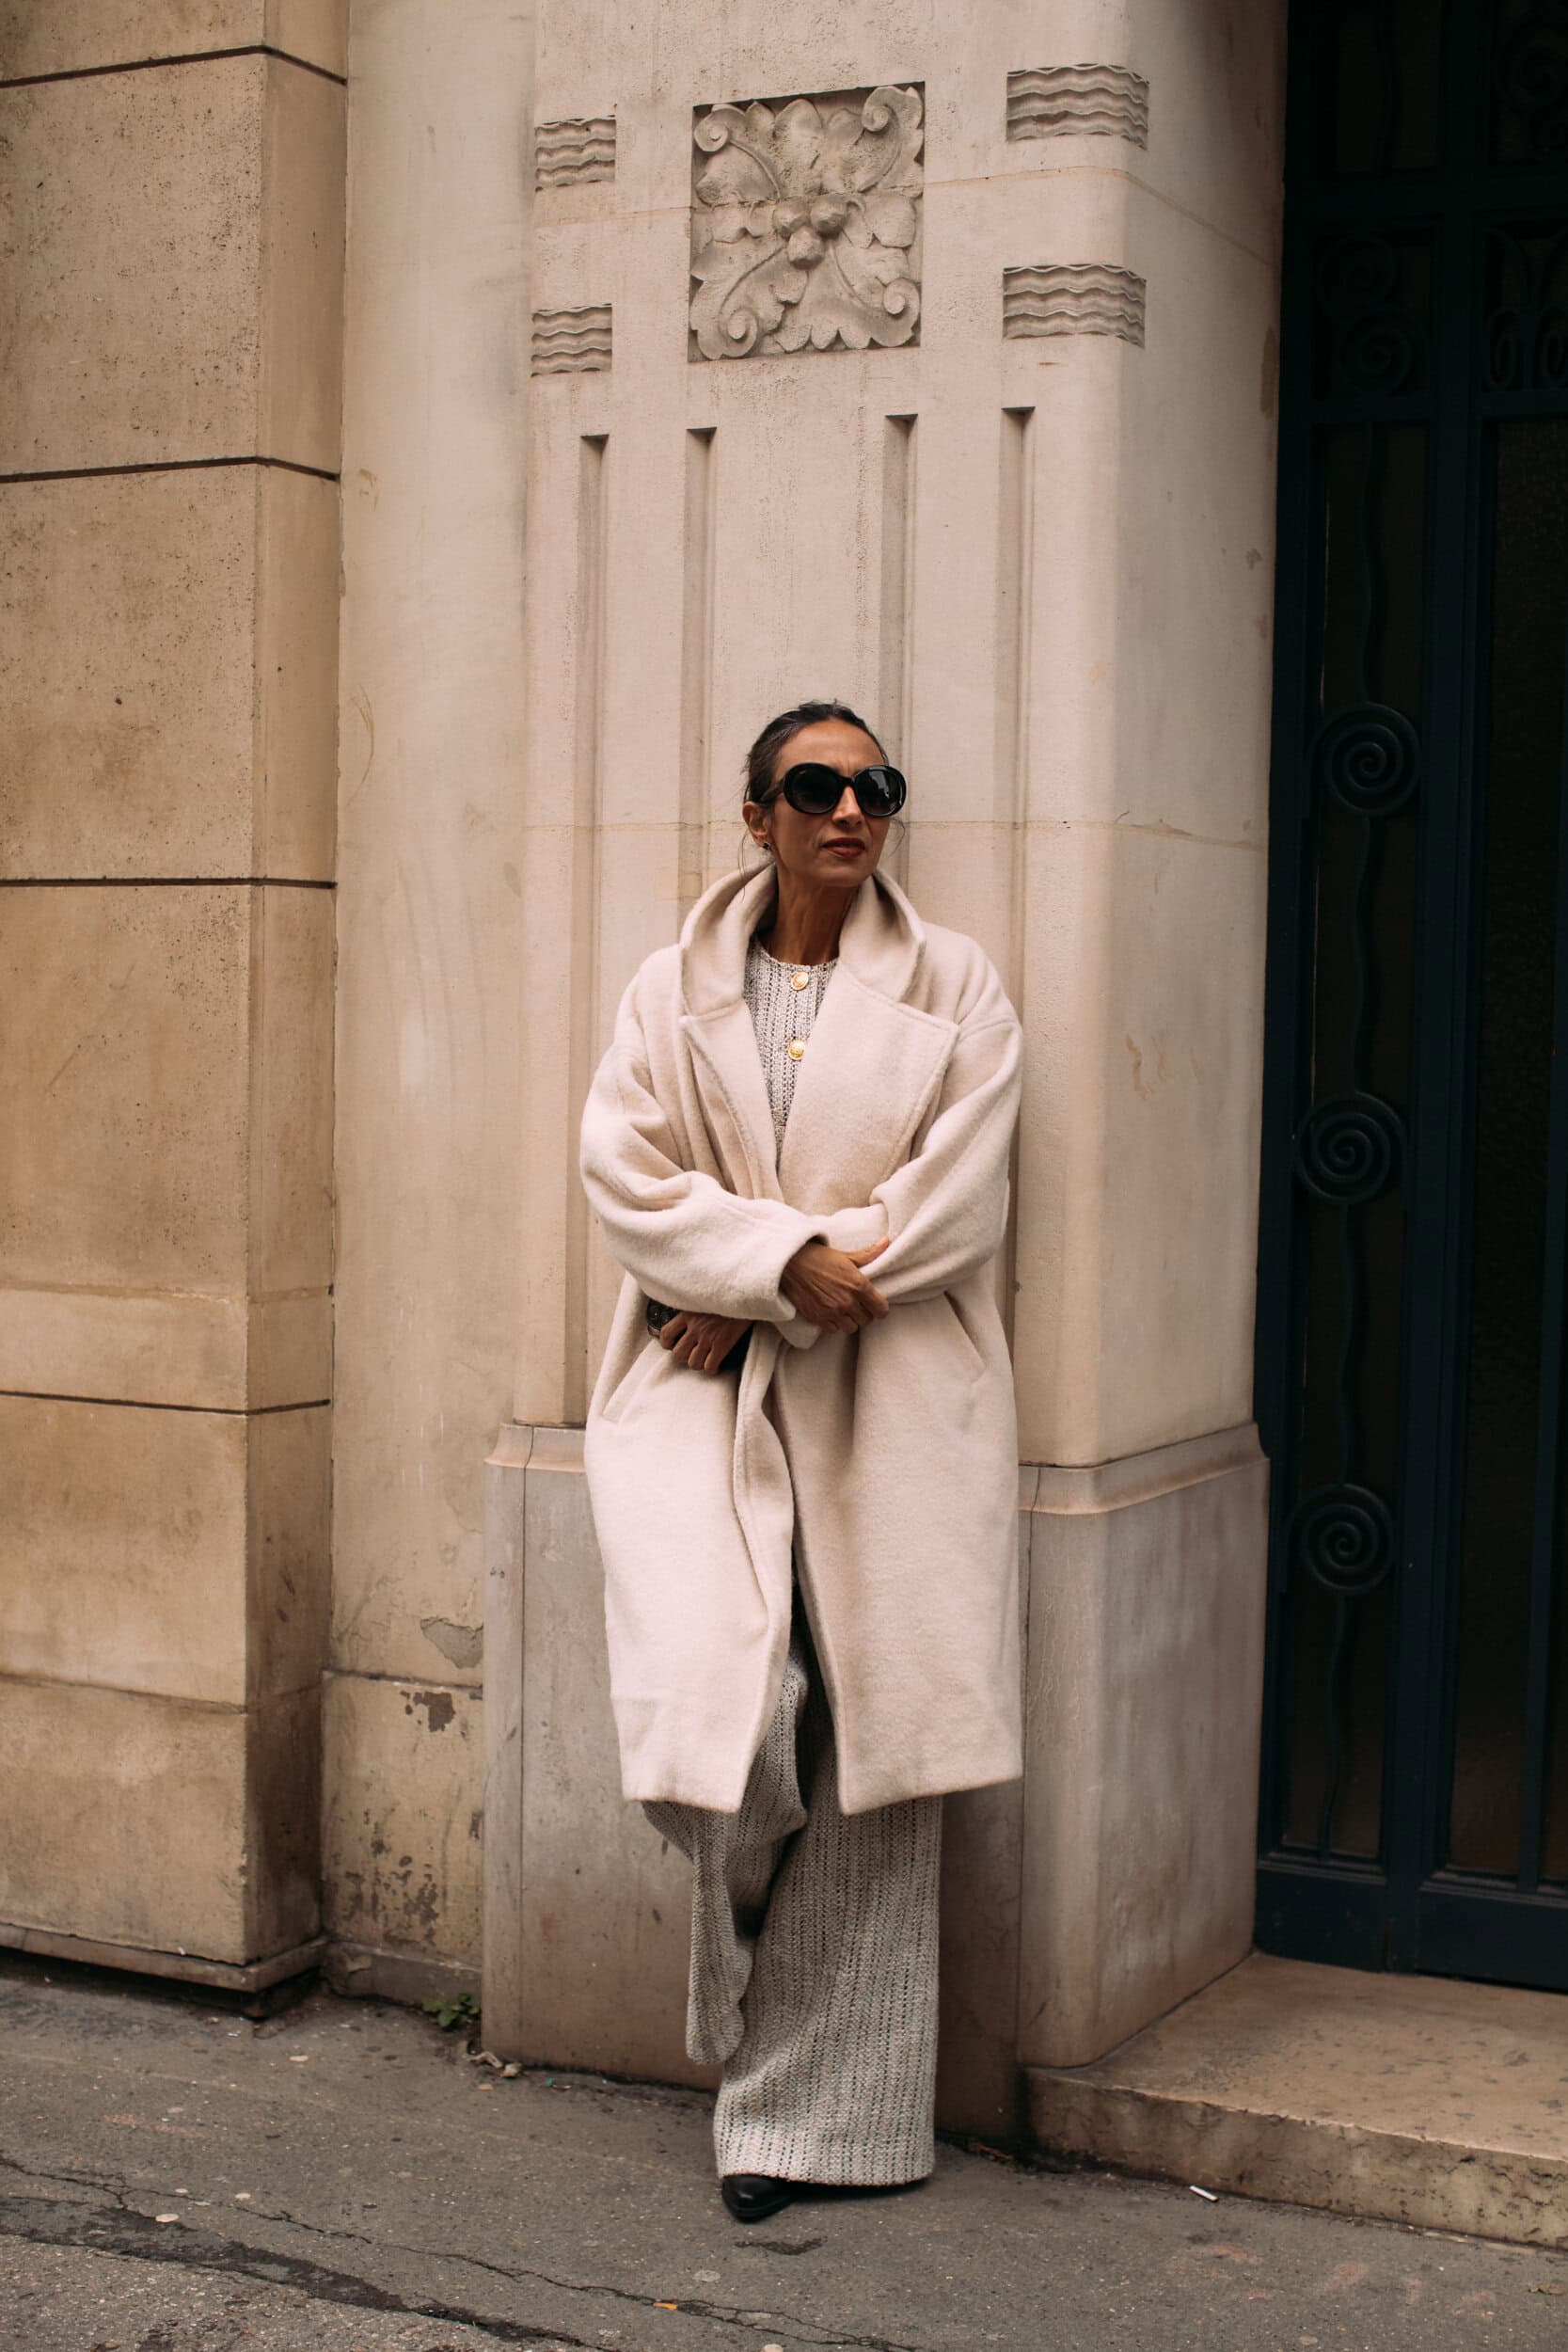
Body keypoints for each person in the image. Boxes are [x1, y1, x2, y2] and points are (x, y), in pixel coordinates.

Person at [578, 700, 1023, 2221]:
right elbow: (624, 1173)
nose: (850, 810)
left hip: (894, 1394)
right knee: (738, 1722)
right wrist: (763, 1268)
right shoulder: (670, 988)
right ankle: (748, 1990)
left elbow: (957, 1202)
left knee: (877, 1759)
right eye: (816, 786)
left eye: (874, 786)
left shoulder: (955, 984)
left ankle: (820, 2127)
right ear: (756, 814)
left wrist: (761, 1279)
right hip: (697, 1392)